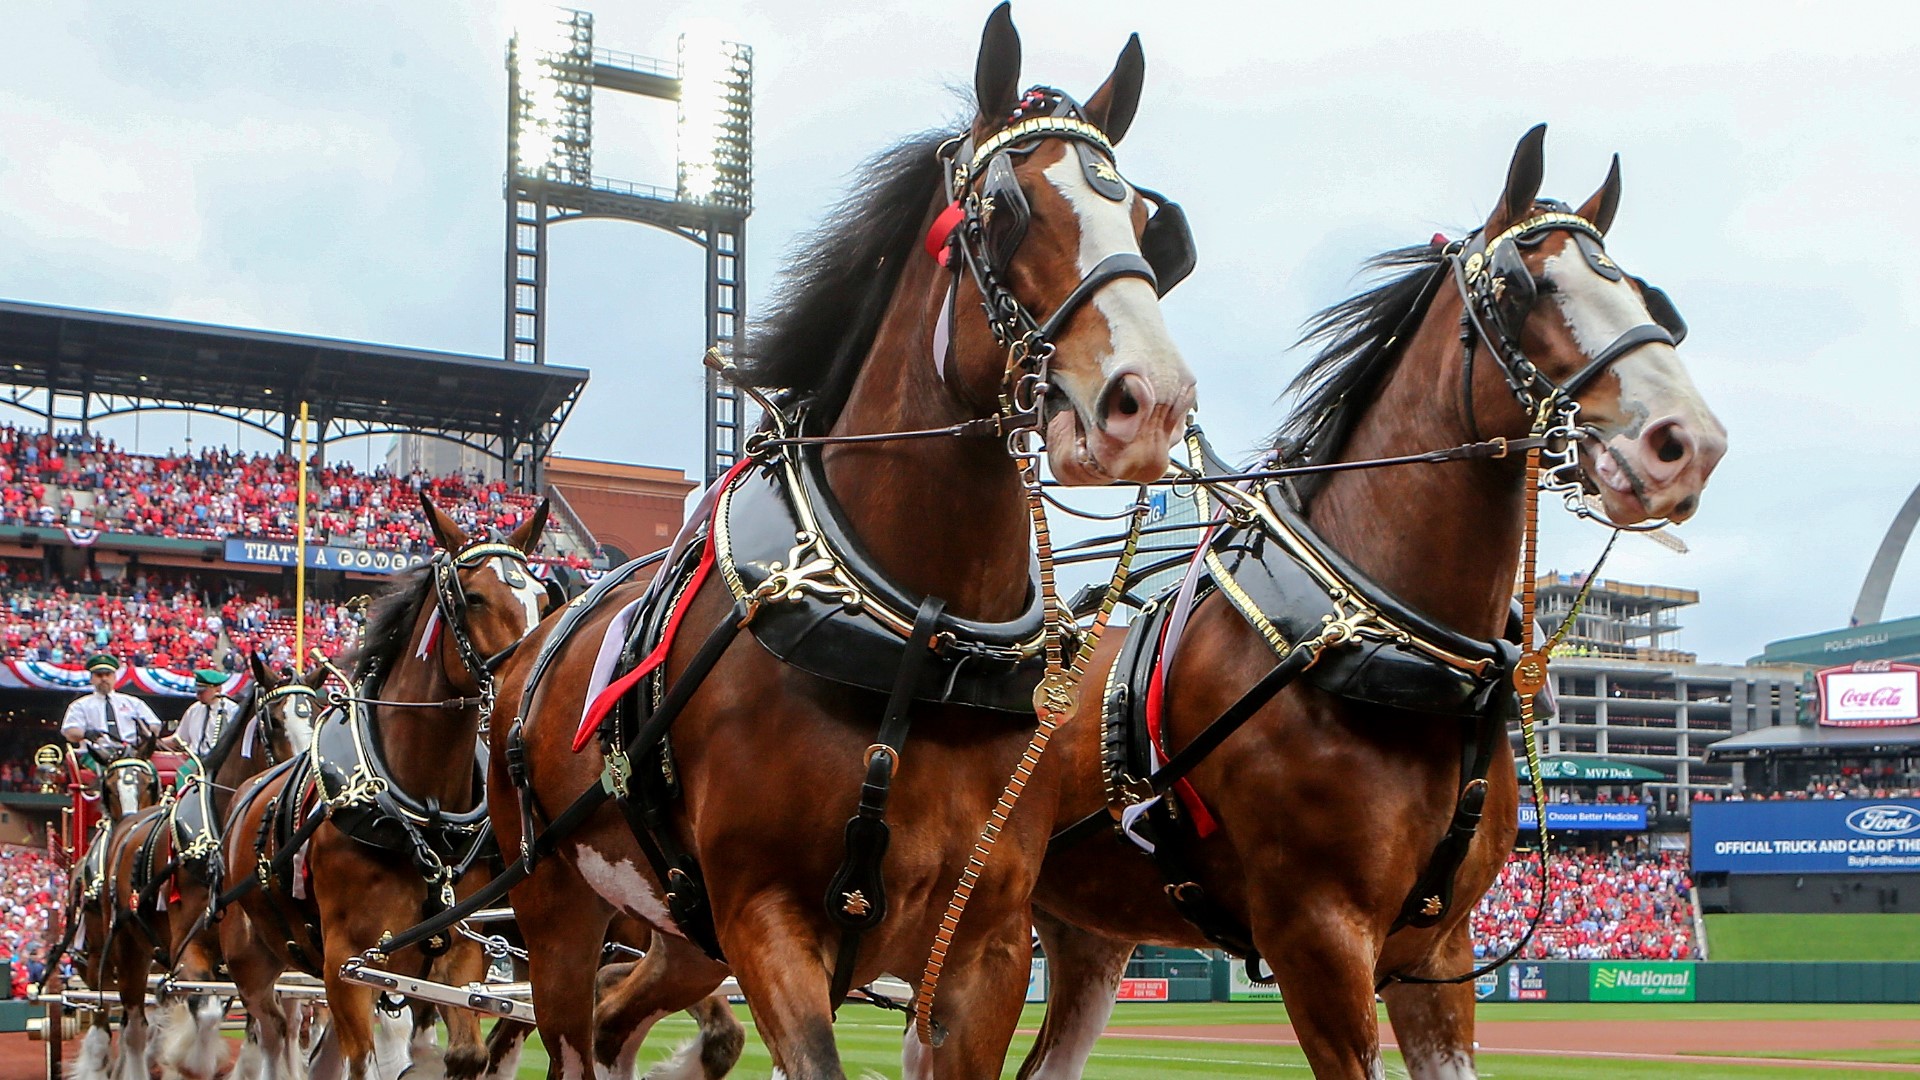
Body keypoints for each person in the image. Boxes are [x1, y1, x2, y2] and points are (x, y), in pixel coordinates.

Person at [59, 654, 161, 766]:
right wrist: (85, 733)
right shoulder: (80, 705)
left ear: (114, 677)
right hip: (96, 754)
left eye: (108, 674)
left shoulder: (134, 703)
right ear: (92, 679)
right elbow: (69, 731)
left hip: (131, 753)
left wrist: (146, 730)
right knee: (108, 776)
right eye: (99, 675)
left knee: (151, 773)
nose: (104, 679)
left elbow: (155, 725)